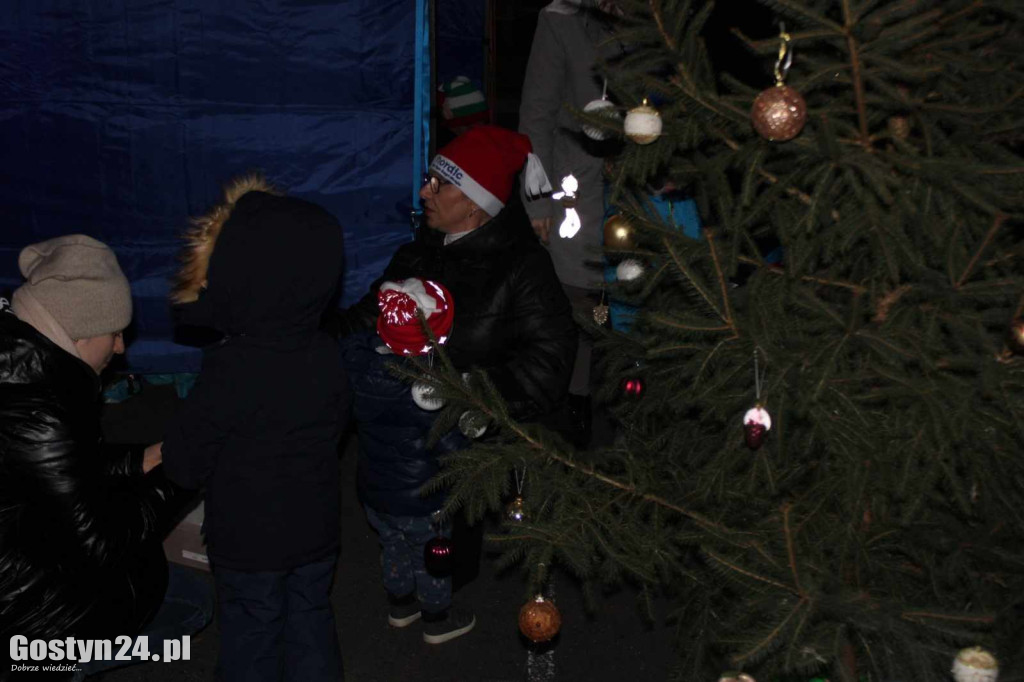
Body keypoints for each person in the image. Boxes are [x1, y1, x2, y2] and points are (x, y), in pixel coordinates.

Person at [337, 125, 577, 642]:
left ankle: (435, 589)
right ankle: (412, 584)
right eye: (429, 180)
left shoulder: (522, 268)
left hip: (472, 434)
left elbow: (548, 362)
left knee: (440, 547)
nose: (424, 191)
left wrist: (471, 397)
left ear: (475, 205)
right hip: (403, 431)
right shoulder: (418, 253)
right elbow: (364, 318)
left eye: (438, 184)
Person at [161, 175, 348, 682]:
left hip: (248, 543)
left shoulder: (231, 368)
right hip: (315, 531)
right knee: (311, 621)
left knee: (252, 633)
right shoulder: (327, 354)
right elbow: (335, 427)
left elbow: (185, 458)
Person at [0, 234, 211, 679]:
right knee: (190, 609)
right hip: (23, 606)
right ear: (78, 334)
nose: (120, 348)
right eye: (114, 334)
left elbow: (58, 469)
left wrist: (142, 460)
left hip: (24, 552)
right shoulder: (40, 412)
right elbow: (102, 543)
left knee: (178, 590)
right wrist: (180, 470)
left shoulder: (24, 370)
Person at [519, 0, 624, 446]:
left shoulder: (656, 20)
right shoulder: (560, 20)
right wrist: (538, 201)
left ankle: (631, 406)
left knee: (633, 297)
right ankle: (573, 408)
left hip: (642, 190)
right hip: (575, 189)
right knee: (578, 299)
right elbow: (536, 115)